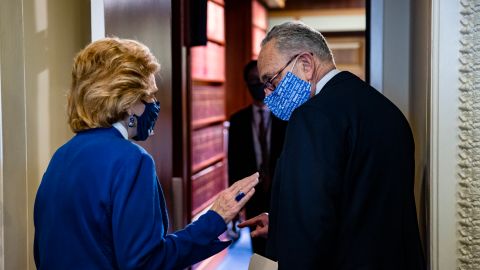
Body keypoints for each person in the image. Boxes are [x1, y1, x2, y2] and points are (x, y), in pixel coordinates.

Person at [33, 37, 259, 270]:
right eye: (149, 95)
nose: (154, 103)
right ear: (129, 101)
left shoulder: (60, 157)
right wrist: (214, 219)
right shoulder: (131, 160)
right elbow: (146, 263)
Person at [239, 21, 425, 269]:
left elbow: (310, 231)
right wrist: (283, 222)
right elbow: (357, 201)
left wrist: (291, 235)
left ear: (306, 63)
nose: (268, 94)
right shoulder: (386, 109)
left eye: (271, 80)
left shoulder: (311, 117)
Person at [227, 60, 287, 255]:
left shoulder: (287, 117)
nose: (257, 86)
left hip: (282, 192)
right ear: (246, 84)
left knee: (284, 248)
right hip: (253, 193)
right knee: (259, 249)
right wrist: (235, 204)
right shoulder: (238, 121)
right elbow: (233, 164)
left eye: (260, 80)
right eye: (252, 81)